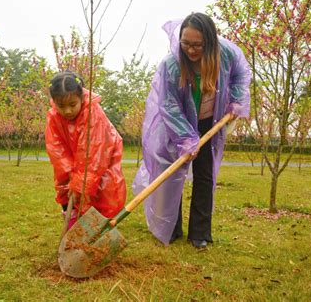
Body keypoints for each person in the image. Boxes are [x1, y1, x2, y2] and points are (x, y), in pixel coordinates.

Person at [132, 13, 251, 249]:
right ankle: (171, 228)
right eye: (186, 43)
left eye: (197, 45)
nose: (191, 50)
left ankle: (200, 233)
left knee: (204, 175)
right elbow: (169, 104)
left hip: (210, 121)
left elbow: (240, 74)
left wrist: (237, 100)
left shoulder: (226, 53)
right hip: (176, 125)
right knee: (171, 173)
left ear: (209, 41)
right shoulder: (172, 63)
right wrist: (185, 138)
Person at [45, 71, 126, 229]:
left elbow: (93, 154)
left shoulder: (93, 114)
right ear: (54, 102)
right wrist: (70, 181)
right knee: (67, 195)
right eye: (61, 106)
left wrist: (80, 185)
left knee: (101, 197)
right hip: (73, 168)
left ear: (81, 98)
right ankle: (75, 233)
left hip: (101, 164)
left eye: (72, 104)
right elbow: (57, 151)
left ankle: (97, 235)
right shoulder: (54, 117)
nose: (67, 111)